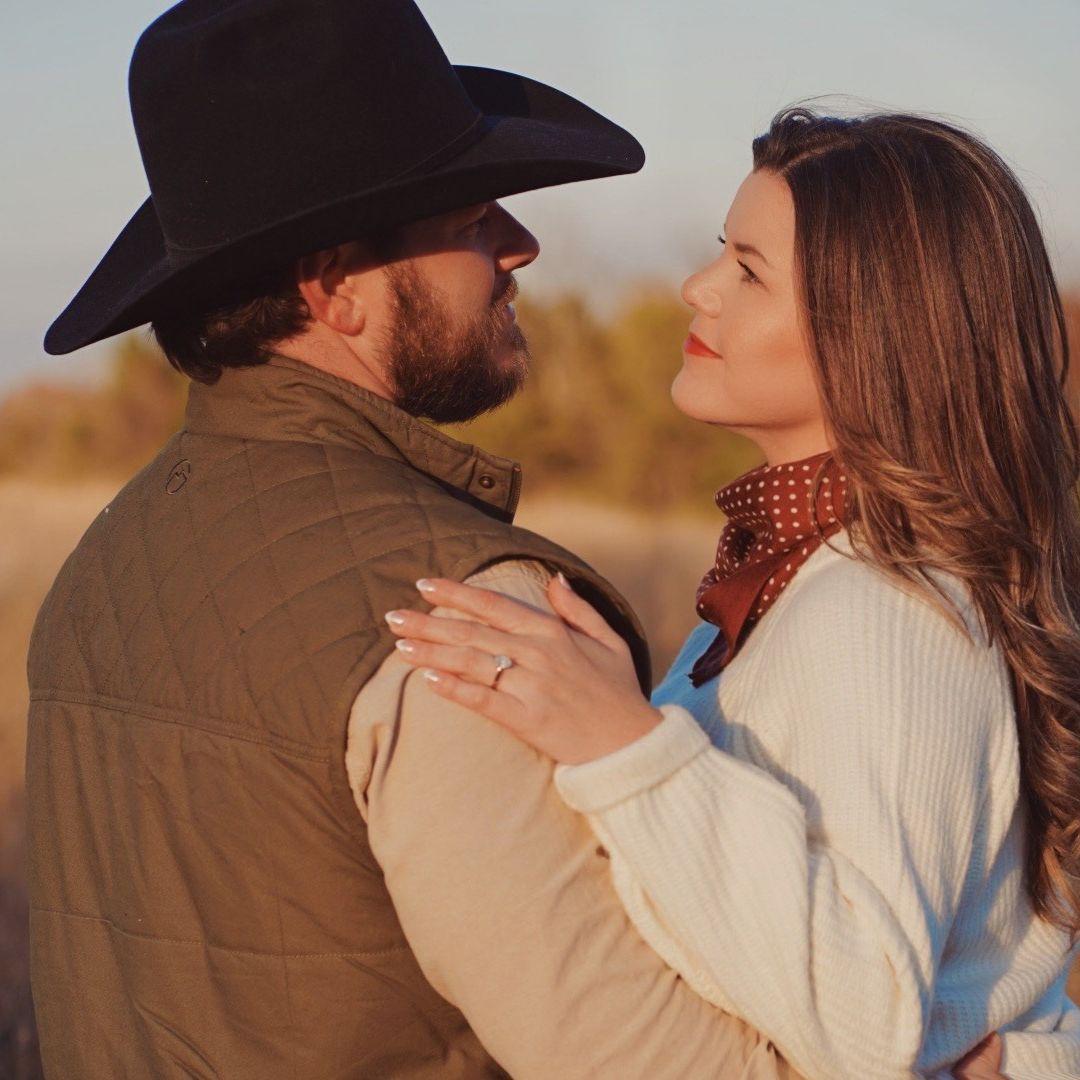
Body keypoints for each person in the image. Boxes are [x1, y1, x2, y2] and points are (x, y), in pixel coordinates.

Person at [384, 107, 1080, 1080]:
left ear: (877, 331)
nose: (697, 287)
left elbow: (864, 1026)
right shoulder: (805, 576)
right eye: (722, 252)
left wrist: (624, 745)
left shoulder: (883, 607)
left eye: (748, 271)